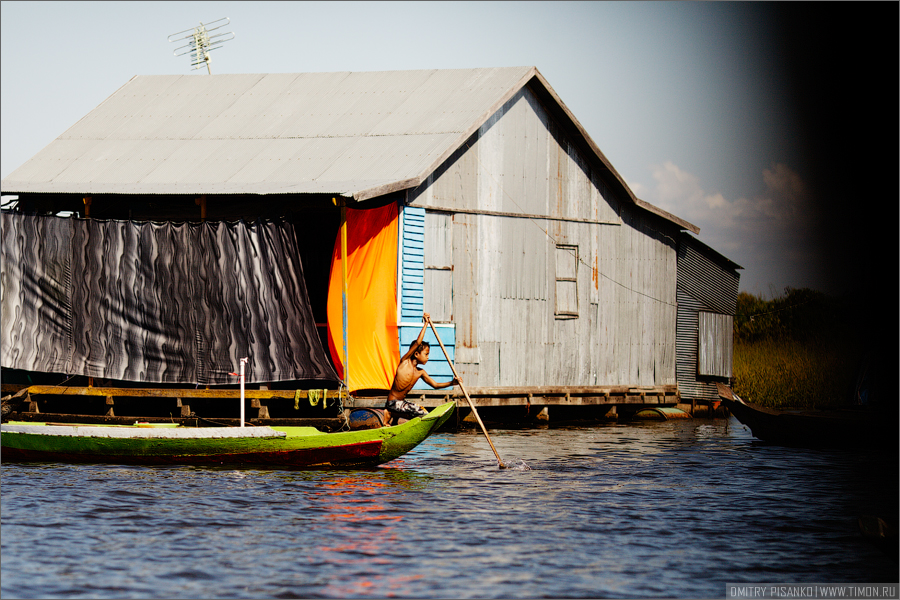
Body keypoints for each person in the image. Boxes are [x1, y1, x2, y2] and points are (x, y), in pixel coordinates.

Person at [384, 312, 459, 425]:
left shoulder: (420, 372)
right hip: (392, 402)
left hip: (401, 403)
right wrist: (426, 324)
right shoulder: (405, 362)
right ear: (416, 354)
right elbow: (418, 342)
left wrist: (452, 383)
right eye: (426, 354)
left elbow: (435, 385)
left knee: (423, 412)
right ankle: (389, 413)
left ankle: (394, 416)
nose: (428, 358)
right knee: (420, 411)